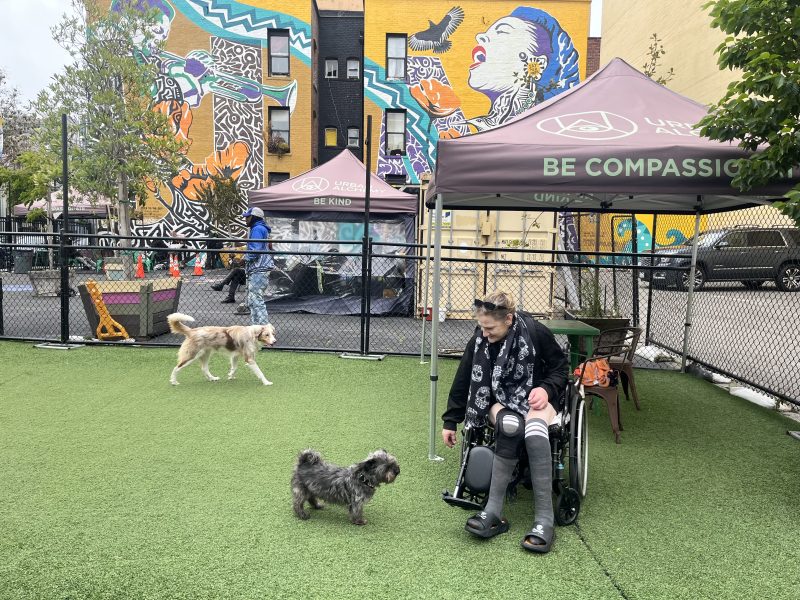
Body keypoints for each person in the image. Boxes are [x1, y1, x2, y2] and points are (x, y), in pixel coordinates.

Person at [441, 290, 567, 553]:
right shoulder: (480, 339)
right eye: (481, 327)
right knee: (510, 427)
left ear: (509, 319)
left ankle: (544, 519)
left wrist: (545, 389)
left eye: (490, 328)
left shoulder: (536, 332)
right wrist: (451, 420)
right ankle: (493, 512)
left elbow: (560, 368)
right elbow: (464, 376)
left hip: (538, 398)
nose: (484, 334)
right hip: (500, 399)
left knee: (533, 432)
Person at [466, 6, 580, 131]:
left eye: (502, 31)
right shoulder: (501, 117)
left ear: (537, 63)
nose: (480, 36)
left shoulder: (537, 126)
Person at [242, 207, 274, 325]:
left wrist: (244, 259)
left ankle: (262, 328)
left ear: (254, 217)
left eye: (247, 217)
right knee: (253, 299)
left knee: (256, 299)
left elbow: (255, 249)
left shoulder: (257, 229)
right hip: (260, 268)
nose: (245, 219)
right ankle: (256, 328)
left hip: (258, 268)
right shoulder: (261, 228)